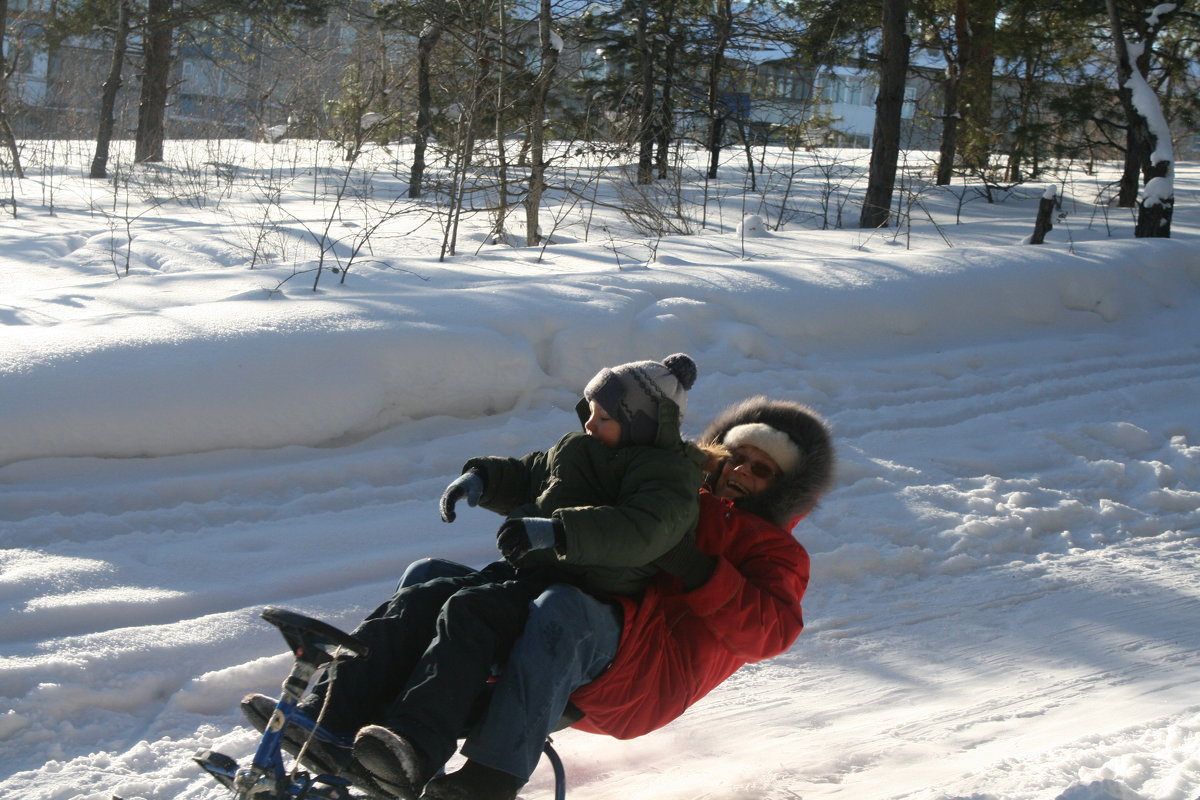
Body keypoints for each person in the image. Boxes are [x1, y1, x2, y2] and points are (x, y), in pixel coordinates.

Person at [241, 354, 713, 800]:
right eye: (589, 411)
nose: (590, 424)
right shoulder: (580, 449)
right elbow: (532, 474)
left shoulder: (668, 476)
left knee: (469, 611)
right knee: (423, 598)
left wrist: (557, 531)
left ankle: (415, 747)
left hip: (586, 595)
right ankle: (330, 715)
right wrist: (482, 480)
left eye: (604, 417)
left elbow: (645, 530)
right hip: (531, 577)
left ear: (643, 420)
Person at [417, 396, 834, 800]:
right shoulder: (678, 488)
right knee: (430, 576)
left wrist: (696, 568)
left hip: (646, 676)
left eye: (760, 469)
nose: (740, 470)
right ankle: (392, 736)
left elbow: (770, 633)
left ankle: (490, 780)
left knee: (561, 609)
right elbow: (579, 484)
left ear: (784, 489)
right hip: (592, 618)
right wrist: (490, 485)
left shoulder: (777, 552)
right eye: (736, 457)